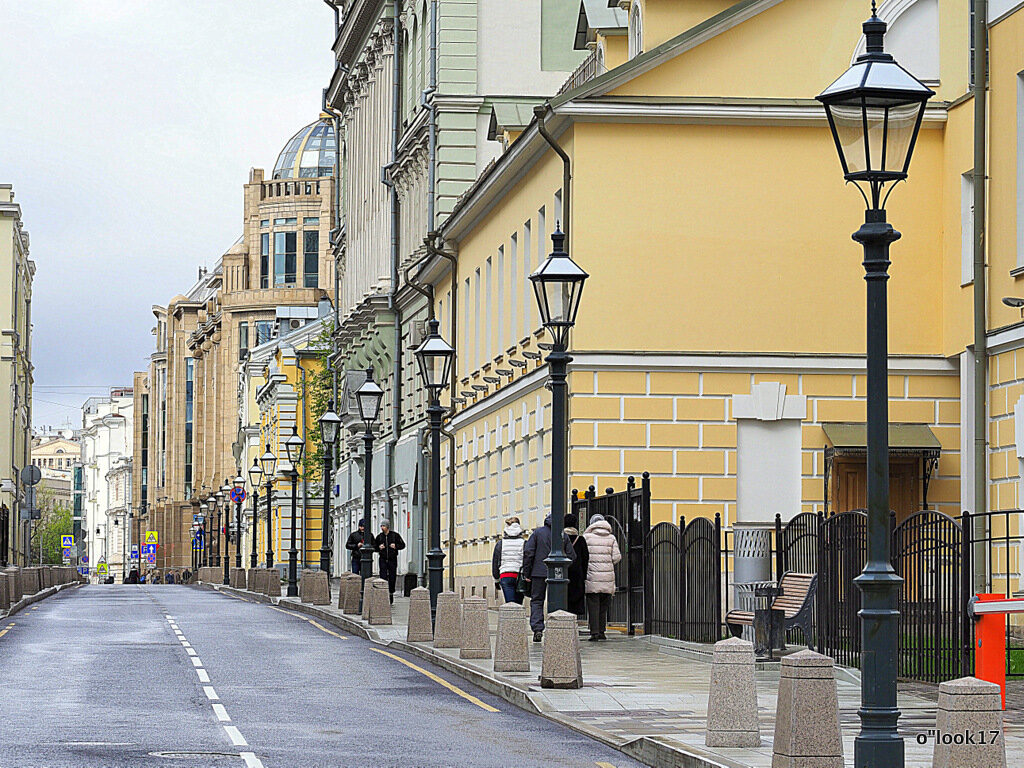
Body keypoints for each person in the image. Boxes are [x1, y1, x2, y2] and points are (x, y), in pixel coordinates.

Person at [522, 514, 577, 642]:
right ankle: (557, 627)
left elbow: (528, 553)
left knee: (537, 600)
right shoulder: (563, 534)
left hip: (538, 572)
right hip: (558, 573)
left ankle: (537, 628)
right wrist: (563, 567)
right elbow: (572, 555)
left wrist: (527, 573)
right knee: (557, 600)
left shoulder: (537, 533)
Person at [582, 513, 621, 641]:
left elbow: (583, 556)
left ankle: (594, 632)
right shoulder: (611, 538)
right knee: (604, 607)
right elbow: (617, 557)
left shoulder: (586, 537)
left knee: (593, 605)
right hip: (608, 576)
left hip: (592, 575)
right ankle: (602, 631)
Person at [491, 517, 526, 605]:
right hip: (519, 576)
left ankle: (510, 618)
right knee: (518, 604)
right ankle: (518, 618)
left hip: (505, 574)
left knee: (509, 604)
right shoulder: (524, 543)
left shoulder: (500, 544)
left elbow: (495, 562)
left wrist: (496, 579)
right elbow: (528, 560)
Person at [564, 513, 589, 616]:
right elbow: (585, 558)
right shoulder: (580, 539)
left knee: (564, 597)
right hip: (577, 573)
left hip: (564, 572)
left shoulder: (560, 538)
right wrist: (584, 574)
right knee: (576, 598)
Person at [374, 521, 405, 603]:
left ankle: (391, 592)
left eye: (383, 526)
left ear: (387, 527)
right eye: (381, 526)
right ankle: (383, 593)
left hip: (392, 558)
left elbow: (402, 545)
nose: (382, 528)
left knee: (392, 576)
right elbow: (374, 547)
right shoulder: (379, 537)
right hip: (383, 558)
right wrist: (379, 547)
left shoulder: (394, 536)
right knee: (383, 575)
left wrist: (396, 546)